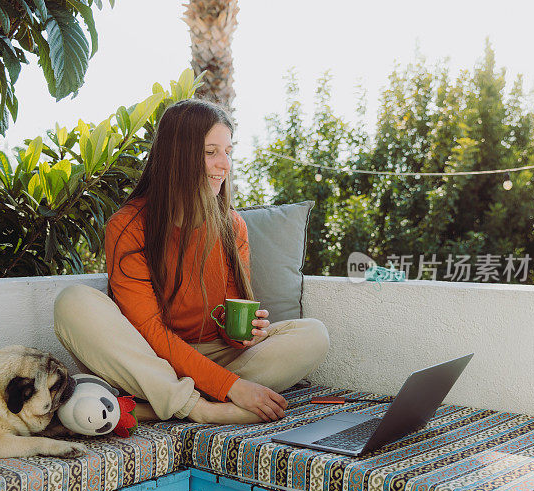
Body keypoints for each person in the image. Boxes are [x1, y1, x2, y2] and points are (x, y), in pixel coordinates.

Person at [53, 99, 329, 424]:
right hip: (150, 359)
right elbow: (149, 331)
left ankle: (157, 405)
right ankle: (201, 408)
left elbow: (228, 323)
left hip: (212, 356)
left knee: (313, 334)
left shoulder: (232, 226)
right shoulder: (129, 225)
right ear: (178, 156)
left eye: (228, 151)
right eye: (211, 152)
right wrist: (234, 387)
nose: (224, 164)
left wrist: (240, 334)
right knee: (73, 302)